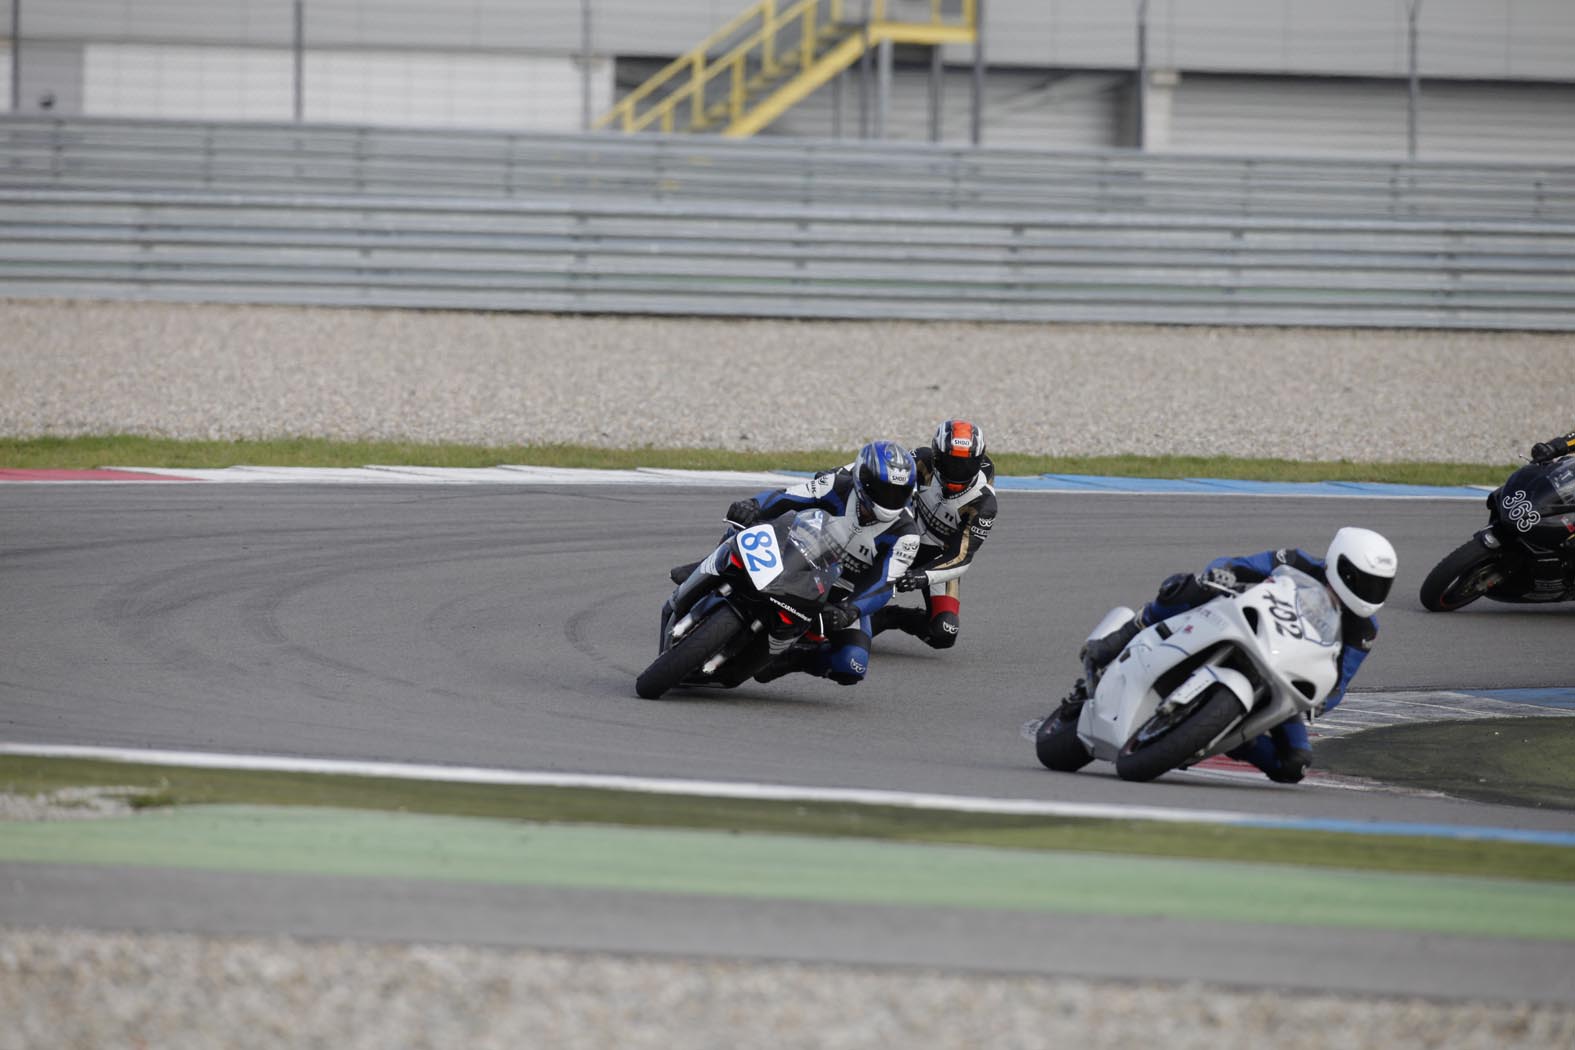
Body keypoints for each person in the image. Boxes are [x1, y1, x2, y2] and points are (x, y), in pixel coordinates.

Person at [1068, 527, 1398, 784]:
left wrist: (1318, 702)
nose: (1371, 593)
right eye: (1365, 582)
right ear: (1341, 565)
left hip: (1282, 673)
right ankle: (1119, 638)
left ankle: (1217, 734)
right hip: (1239, 624)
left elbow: (1339, 684)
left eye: (1379, 585)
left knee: (1294, 763)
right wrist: (1222, 576)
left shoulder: (1363, 630)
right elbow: (1237, 566)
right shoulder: (1294, 562)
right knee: (1188, 586)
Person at [701, 440, 923, 686]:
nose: (890, 499)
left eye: (898, 492)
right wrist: (753, 505)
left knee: (852, 664)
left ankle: (791, 658)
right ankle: (705, 571)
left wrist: (851, 610)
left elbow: (883, 583)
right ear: (863, 479)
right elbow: (787, 497)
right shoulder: (837, 485)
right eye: (884, 490)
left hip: (839, 597)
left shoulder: (906, 534)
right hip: (797, 559)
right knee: (744, 529)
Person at [870, 419, 998, 651]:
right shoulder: (922, 460)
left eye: (966, 466)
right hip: (900, 537)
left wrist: (922, 576)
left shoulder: (983, 504)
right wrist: (842, 474)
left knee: (944, 633)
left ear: (978, 462)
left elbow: (962, 557)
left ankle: (890, 617)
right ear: (938, 457)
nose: (957, 473)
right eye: (951, 464)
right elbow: (879, 469)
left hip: (938, 559)